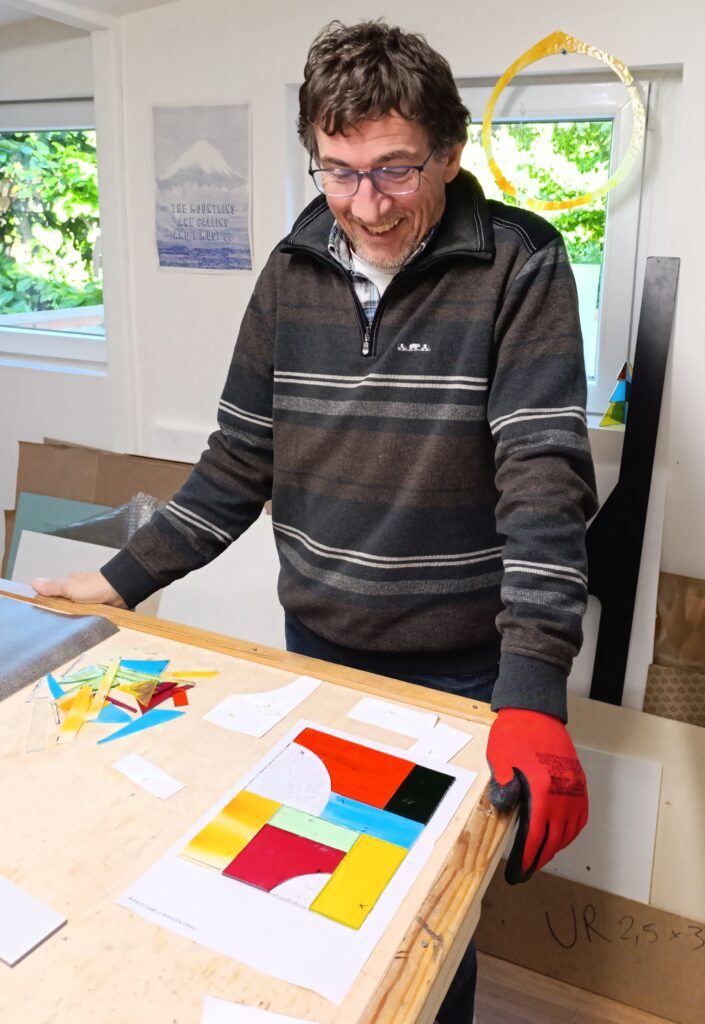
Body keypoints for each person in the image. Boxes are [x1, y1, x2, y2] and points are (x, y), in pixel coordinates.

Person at [34, 20, 598, 1022]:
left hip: (461, 670)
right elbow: (238, 460)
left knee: (426, 925)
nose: (365, 206)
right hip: (319, 651)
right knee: (316, 901)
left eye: (393, 172)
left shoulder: (522, 265)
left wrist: (533, 689)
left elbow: (545, 480)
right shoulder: (293, 270)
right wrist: (124, 575)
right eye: (338, 173)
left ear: (450, 152)